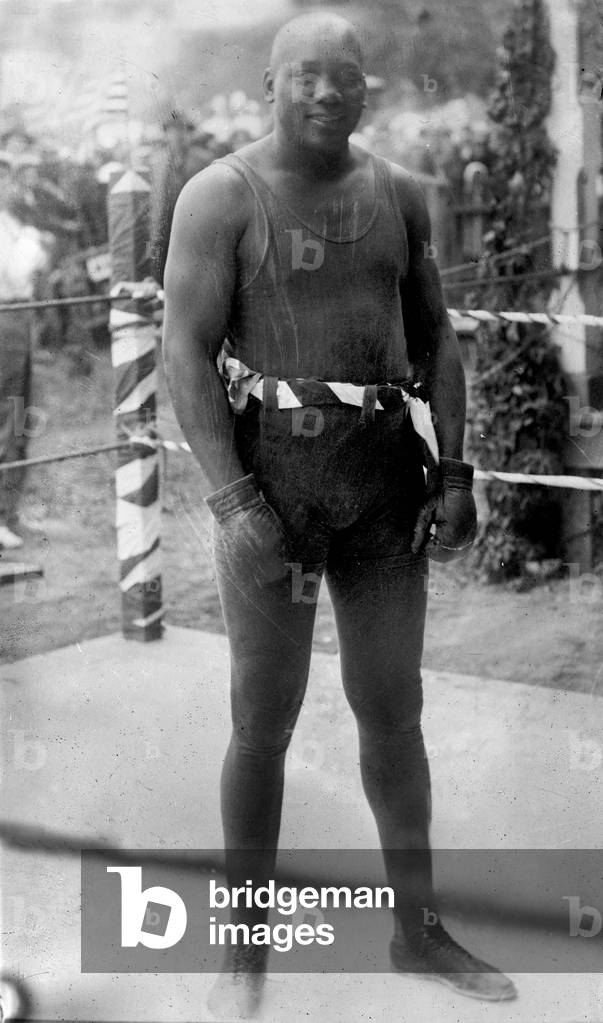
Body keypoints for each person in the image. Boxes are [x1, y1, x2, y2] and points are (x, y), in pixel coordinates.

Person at [162, 12, 517, 1017]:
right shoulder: (219, 194)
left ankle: (418, 930)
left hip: (381, 481)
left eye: (347, 78)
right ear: (271, 84)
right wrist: (234, 499)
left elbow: (438, 335)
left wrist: (455, 472)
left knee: (393, 710)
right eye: (308, 76)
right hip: (269, 481)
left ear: (368, 91)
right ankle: (243, 955)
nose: (328, 93)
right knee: (260, 719)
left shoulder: (401, 191)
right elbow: (182, 352)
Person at [0, 152, 49, 549]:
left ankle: (9, 511)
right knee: (7, 415)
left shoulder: (12, 223)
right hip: (5, 322)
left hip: (19, 321)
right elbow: (17, 274)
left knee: (19, 415)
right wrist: (33, 240)